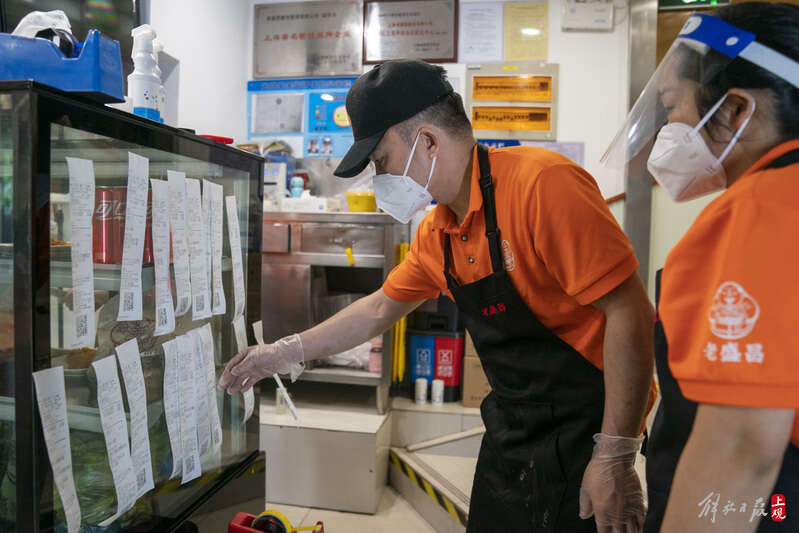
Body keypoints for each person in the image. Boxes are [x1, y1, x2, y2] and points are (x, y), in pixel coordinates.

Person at [220, 60, 656, 532]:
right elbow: (378, 308)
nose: (380, 177)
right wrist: (283, 352)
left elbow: (630, 312)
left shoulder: (542, 184)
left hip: (591, 428)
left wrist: (615, 454)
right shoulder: (438, 231)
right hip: (512, 429)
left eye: (381, 161)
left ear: (427, 141)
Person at [602, 4, 799, 532]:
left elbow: (740, 447)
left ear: (735, 109)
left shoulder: (763, 210)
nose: (667, 128)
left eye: (671, 106)